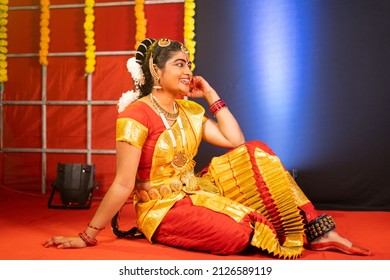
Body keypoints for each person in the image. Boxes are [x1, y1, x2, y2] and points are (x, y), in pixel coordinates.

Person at [43, 38, 371, 258]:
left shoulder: (190, 110)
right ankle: (275, 228)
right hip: (162, 210)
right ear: (156, 70)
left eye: (189, 64)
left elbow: (235, 141)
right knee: (242, 233)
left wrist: (210, 94)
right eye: (180, 65)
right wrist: (88, 235)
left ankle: (315, 230)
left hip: (197, 190)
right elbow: (123, 184)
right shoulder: (136, 115)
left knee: (257, 150)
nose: (188, 72)